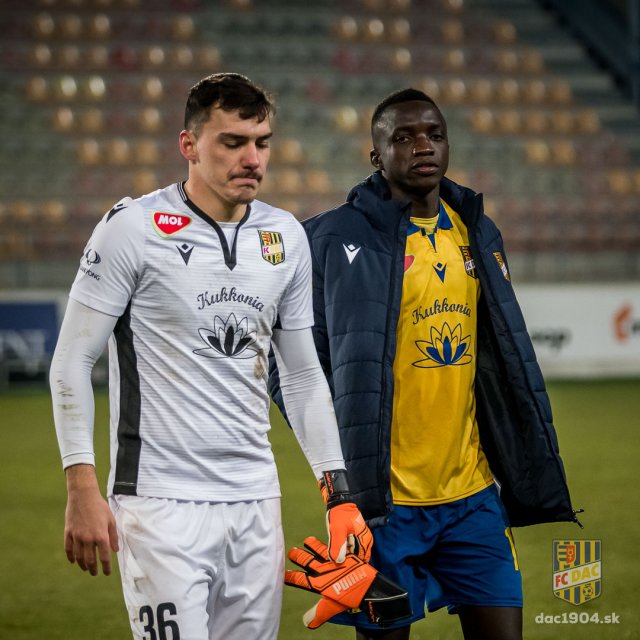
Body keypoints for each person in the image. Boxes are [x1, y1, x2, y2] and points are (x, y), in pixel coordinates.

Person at [50, 73, 371, 640]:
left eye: (262, 143)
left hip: (256, 500)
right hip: (159, 502)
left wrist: (338, 496)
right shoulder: (133, 229)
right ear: (189, 145)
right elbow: (72, 361)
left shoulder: (284, 237)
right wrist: (81, 485)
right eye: (232, 142)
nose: (253, 159)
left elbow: (301, 376)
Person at [269, 88, 580, 640]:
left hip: (473, 499)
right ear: (376, 155)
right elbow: (289, 366)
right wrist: (338, 464)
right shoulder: (330, 239)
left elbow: (501, 354)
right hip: (383, 509)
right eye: (404, 137)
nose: (423, 146)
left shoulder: (477, 231)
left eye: (435, 135)